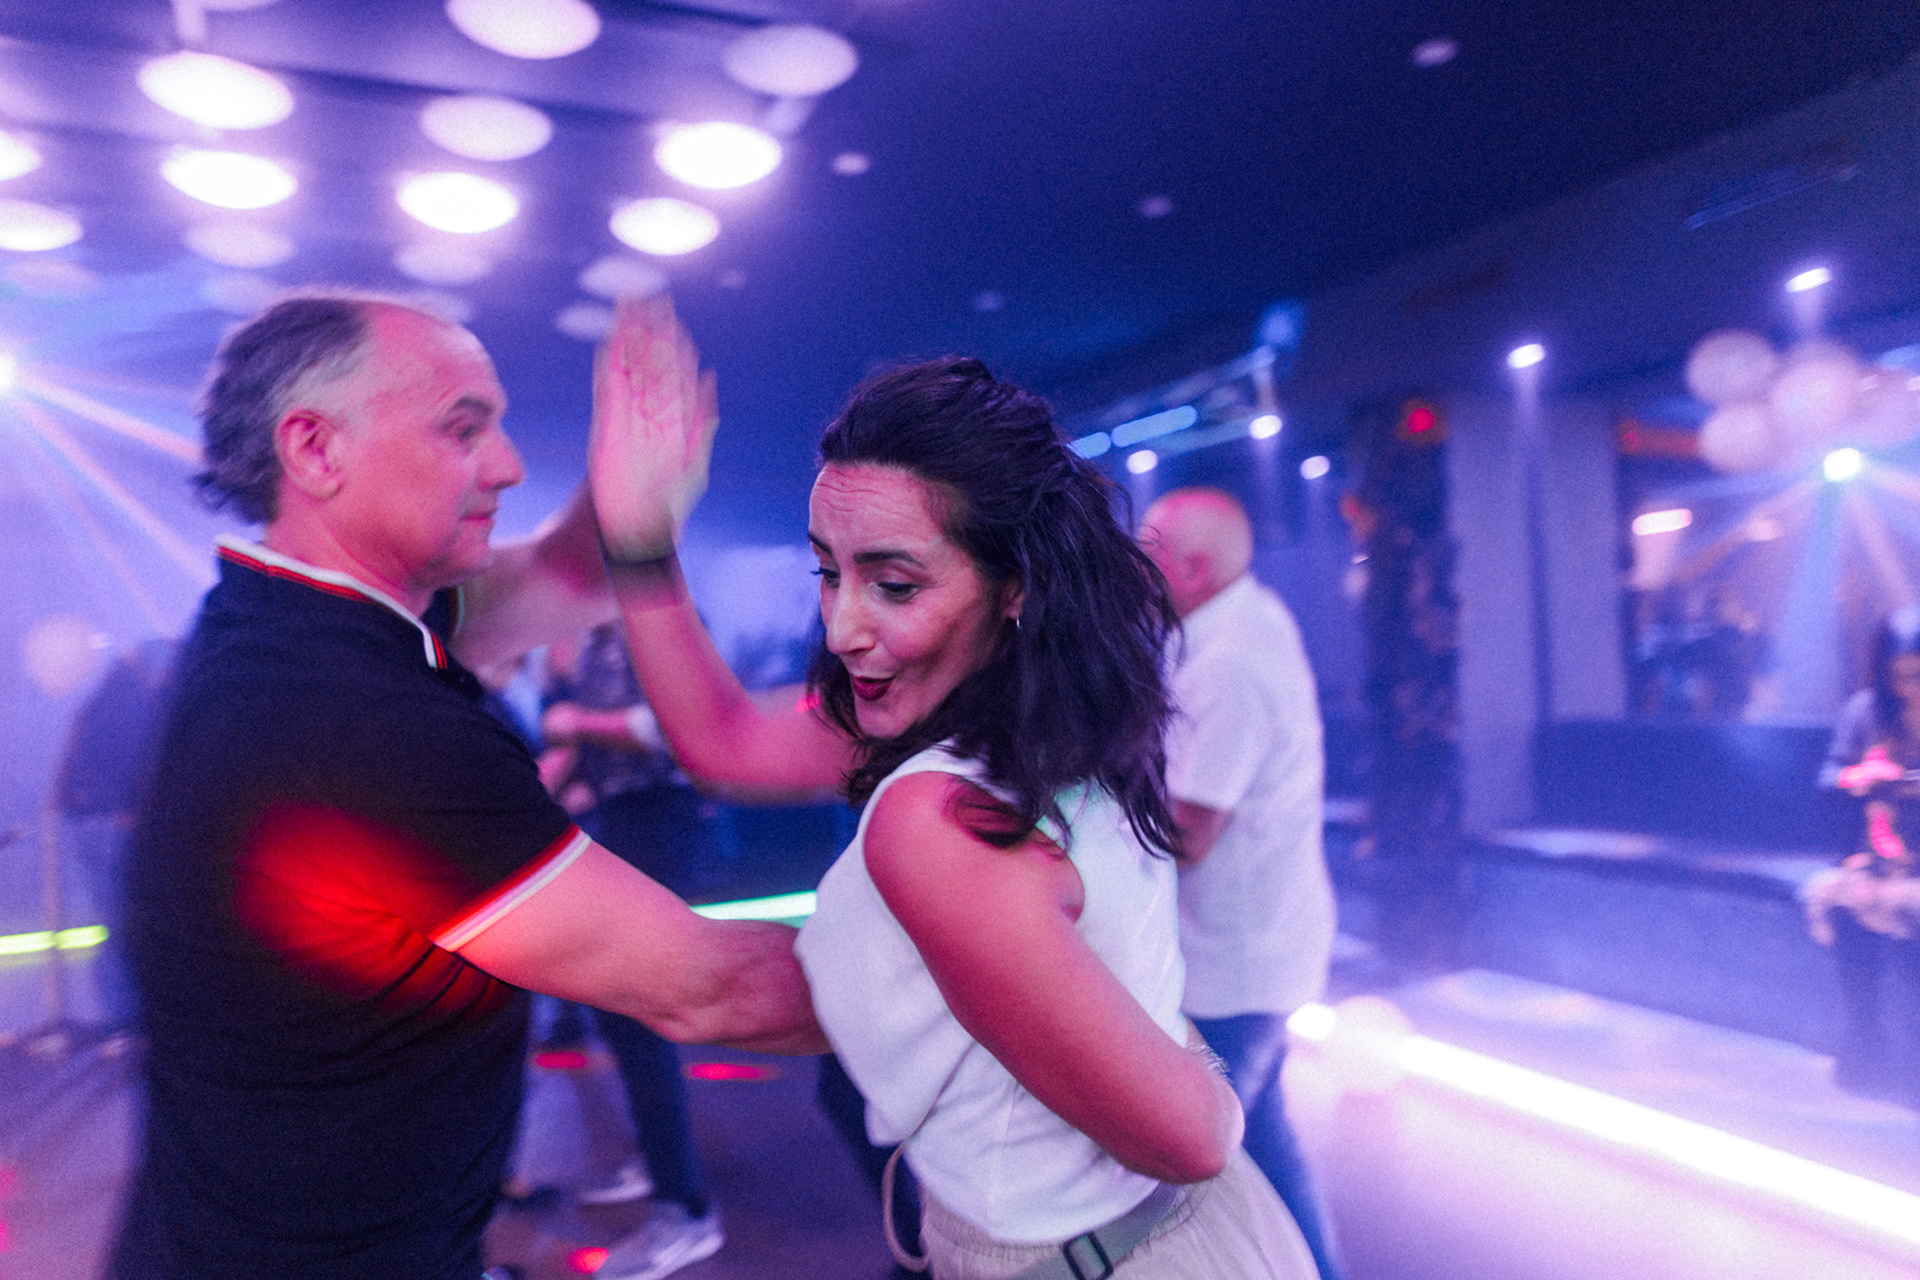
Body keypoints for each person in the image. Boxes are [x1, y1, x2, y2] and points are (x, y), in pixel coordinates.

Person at [590, 298, 1318, 1279]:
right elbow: (727, 743)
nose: (843, 625)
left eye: (893, 584)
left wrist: (1190, 1053)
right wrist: (638, 542)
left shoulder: (936, 814)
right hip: (1174, 1232)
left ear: (1015, 584)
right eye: (828, 572)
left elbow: (1193, 1136)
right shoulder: (1036, 706)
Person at [112, 292, 822, 1280]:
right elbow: (717, 988)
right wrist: (1007, 968)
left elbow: (573, 572)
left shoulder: (294, 619)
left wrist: (634, 494)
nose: (510, 464)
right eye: (463, 428)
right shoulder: (355, 723)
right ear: (315, 449)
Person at [1137, 488, 1344, 1280]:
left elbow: (1189, 835)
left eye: (1150, 550)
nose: (1135, 564)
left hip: (1236, 966)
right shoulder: (1235, 621)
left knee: (1181, 1179)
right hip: (1254, 952)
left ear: (1193, 568)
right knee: (1266, 1151)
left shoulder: (1230, 661)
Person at [539, 624, 723, 1269]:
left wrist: (577, 717)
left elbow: (673, 725)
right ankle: (662, 1161)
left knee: (639, 1013)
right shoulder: (589, 638)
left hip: (661, 816)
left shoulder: (657, 621)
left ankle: (685, 1209)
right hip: (623, 817)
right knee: (619, 1012)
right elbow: (571, 748)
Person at [1805, 606, 1920, 1104]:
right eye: (1900, 676)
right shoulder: (1866, 712)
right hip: (1878, 858)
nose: (1909, 688)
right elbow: (1829, 779)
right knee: (1843, 904)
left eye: (1918, 675)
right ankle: (1863, 1035)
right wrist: (1862, 776)